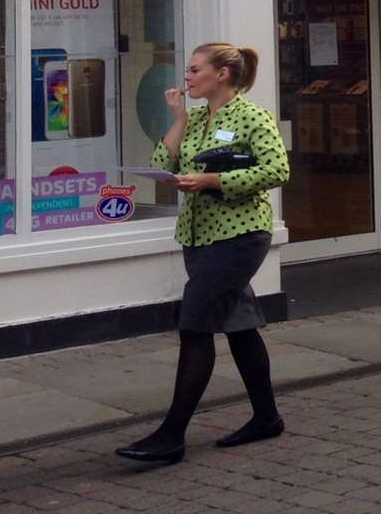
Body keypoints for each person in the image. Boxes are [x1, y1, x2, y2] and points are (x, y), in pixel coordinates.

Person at [116, 43, 291, 466]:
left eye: (195, 70)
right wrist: (177, 119)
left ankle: (171, 435)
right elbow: (163, 160)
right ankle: (266, 417)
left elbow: (277, 169)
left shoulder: (251, 115)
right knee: (239, 326)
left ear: (223, 73)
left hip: (240, 236)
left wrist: (213, 180)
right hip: (198, 236)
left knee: (194, 323)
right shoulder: (194, 118)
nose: (187, 77)